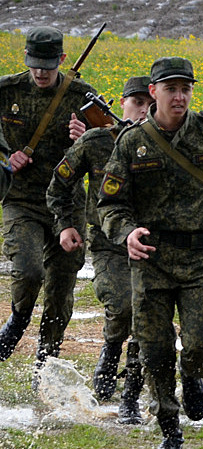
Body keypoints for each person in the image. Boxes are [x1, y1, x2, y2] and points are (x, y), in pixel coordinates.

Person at [97, 57, 203, 449]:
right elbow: (110, 203)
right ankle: (170, 433)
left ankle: (193, 375)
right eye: (171, 89)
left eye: (185, 88)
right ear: (153, 93)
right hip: (150, 259)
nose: (180, 96)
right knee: (154, 352)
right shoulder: (131, 141)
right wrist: (125, 231)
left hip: (200, 257)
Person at [46, 76, 152, 423]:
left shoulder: (169, 143)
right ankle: (110, 352)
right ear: (121, 104)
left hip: (153, 245)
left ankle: (132, 394)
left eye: (149, 103)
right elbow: (60, 183)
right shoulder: (96, 141)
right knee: (121, 305)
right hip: (108, 243)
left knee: (146, 313)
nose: (143, 110)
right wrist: (65, 224)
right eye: (136, 102)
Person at [0, 27, 98, 364]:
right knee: (28, 272)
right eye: (34, 64)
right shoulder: (6, 90)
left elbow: (107, 151)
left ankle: (47, 358)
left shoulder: (84, 97)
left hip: (68, 207)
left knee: (60, 289)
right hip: (22, 200)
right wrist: (4, 157)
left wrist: (85, 137)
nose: (41, 72)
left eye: (48, 64)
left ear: (62, 60)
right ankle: (18, 319)